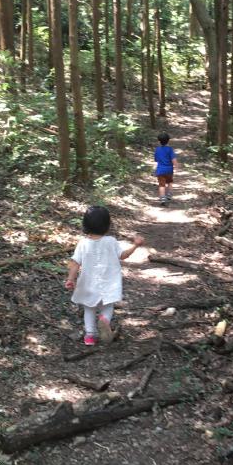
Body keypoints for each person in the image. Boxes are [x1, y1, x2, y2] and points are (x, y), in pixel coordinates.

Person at [64, 206, 144, 346]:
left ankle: (90, 336)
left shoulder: (83, 243)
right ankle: (104, 320)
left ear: (85, 224)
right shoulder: (111, 241)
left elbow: (75, 263)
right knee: (107, 305)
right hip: (109, 283)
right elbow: (123, 255)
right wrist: (135, 245)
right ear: (107, 225)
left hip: (88, 283)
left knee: (89, 308)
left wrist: (71, 279)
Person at [154, 132, 178, 204]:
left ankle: (162, 198)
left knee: (161, 185)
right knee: (170, 182)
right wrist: (176, 166)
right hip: (169, 170)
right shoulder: (170, 149)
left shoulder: (157, 149)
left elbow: (156, 159)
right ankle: (169, 195)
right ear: (168, 141)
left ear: (159, 141)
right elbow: (173, 159)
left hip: (160, 170)